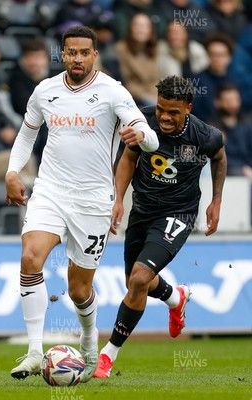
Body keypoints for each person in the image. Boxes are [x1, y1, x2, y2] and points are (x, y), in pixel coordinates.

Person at [5, 25, 159, 382]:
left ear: (94, 55)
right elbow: (27, 133)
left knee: (78, 290)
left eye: (83, 53)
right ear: (62, 54)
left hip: (92, 200)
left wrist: (142, 137)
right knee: (30, 257)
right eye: (70, 52)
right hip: (51, 190)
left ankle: (89, 336)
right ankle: (33, 351)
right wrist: (13, 172)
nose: (77, 58)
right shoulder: (45, 90)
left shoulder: (112, 91)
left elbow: (147, 135)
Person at [93, 76, 226, 378]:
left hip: (178, 213)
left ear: (188, 109)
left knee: (140, 277)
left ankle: (108, 354)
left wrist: (216, 200)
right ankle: (175, 297)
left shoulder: (206, 135)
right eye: (162, 109)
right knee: (134, 282)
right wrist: (117, 200)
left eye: (173, 112)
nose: (164, 117)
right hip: (142, 209)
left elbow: (219, 157)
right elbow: (128, 157)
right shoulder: (144, 120)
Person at [116, 13, 159, 107]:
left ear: (150, 30)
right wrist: (147, 97)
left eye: (144, 26)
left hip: (155, 97)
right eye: (137, 25)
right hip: (132, 101)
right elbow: (126, 82)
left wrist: (156, 97)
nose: (140, 29)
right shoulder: (121, 49)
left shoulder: (155, 49)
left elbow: (156, 79)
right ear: (130, 29)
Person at [209, 84, 252, 177]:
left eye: (236, 100)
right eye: (228, 100)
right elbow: (214, 160)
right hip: (228, 175)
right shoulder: (211, 128)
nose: (233, 104)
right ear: (217, 102)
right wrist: (241, 169)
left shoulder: (247, 125)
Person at [191, 34, 235, 122]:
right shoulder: (196, 81)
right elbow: (195, 114)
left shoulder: (236, 80)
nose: (217, 59)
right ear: (207, 56)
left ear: (229, 57)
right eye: (213, 54)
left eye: (221, 55)